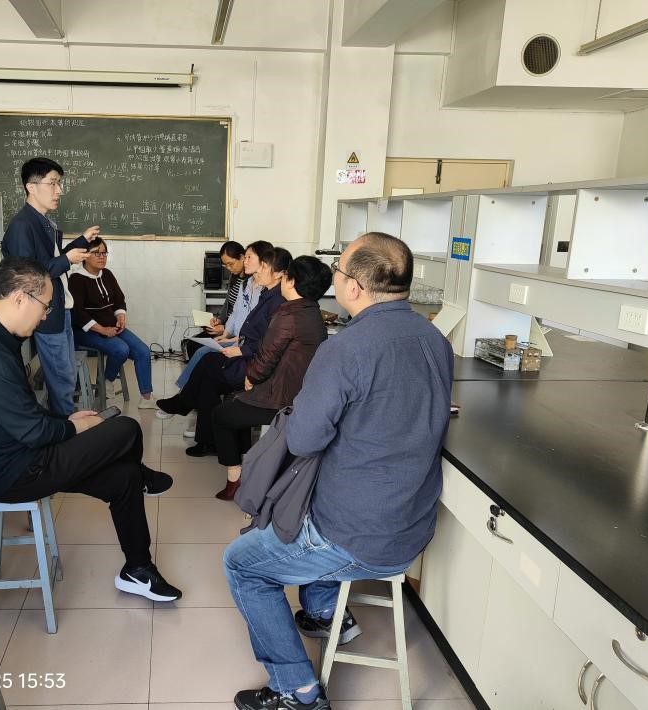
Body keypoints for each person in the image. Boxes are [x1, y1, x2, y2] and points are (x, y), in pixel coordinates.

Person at [224, 232, 453, 710]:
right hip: (413, 526)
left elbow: (305, 440)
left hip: (356, 535)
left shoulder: (346, 349)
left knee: (242, 564)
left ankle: (298, 691)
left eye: (339, 270)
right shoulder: (434, 339)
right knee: (322, 500)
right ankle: (325, 610)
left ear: (354, 286)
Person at [0, 257, 182, 602]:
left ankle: (137, 569)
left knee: (124, 478)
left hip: (22, 453)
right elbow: (31, 431)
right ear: (20, 298)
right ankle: (144, 477)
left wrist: (66, 422)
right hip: (13, 471)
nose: (46, 316)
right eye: (45, 306)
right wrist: (77, 427)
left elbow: (23, 414)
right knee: (127, 429)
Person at [210, 256, 331, 501]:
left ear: (292, 282)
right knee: (234, 400)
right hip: (297, 392)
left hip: (279, 398)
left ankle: (235, 478)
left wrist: (251, 377)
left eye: (286, 276)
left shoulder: (288, 315)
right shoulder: (312, 312)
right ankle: (249, 468)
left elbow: (265, 358)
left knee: (221, 415)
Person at [156, 247, 290, 457]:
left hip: (254, 364)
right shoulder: (265, 293)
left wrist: (240, 348)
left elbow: (269, 344)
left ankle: (183, 403)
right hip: (246, 351)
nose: (256, 269)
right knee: (207, 377)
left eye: (262, 266)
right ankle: (206, 440)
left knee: (208, 363)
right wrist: (233, 338)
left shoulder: (278, 301)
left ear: (280, 273)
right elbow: (247, 325)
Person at [1, 156, 99, 416]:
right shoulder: (23, 225)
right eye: (53, 183)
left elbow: (49, 261)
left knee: (65, 375)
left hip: (58, 308)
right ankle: (65, 428)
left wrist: (80, 242)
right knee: (61, 379)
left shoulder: (42, 222)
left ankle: (66, 422)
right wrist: (67, 260)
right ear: (31, 187)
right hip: (45, 313)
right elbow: (29, 276)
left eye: (59, 183)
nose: (60, 191)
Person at [68, 238, 156, 408]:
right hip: (87, 331)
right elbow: (78, 313)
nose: (102, 257)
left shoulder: (107, 274)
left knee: (143, 351)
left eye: (104, 253)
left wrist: (121, 316)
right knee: (121, 349)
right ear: (85, 256)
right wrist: (102, 330)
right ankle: (107, 381)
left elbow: (119, 300)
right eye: (96, 253)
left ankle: (146, 398)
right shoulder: (76, 279)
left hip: (111, 327)